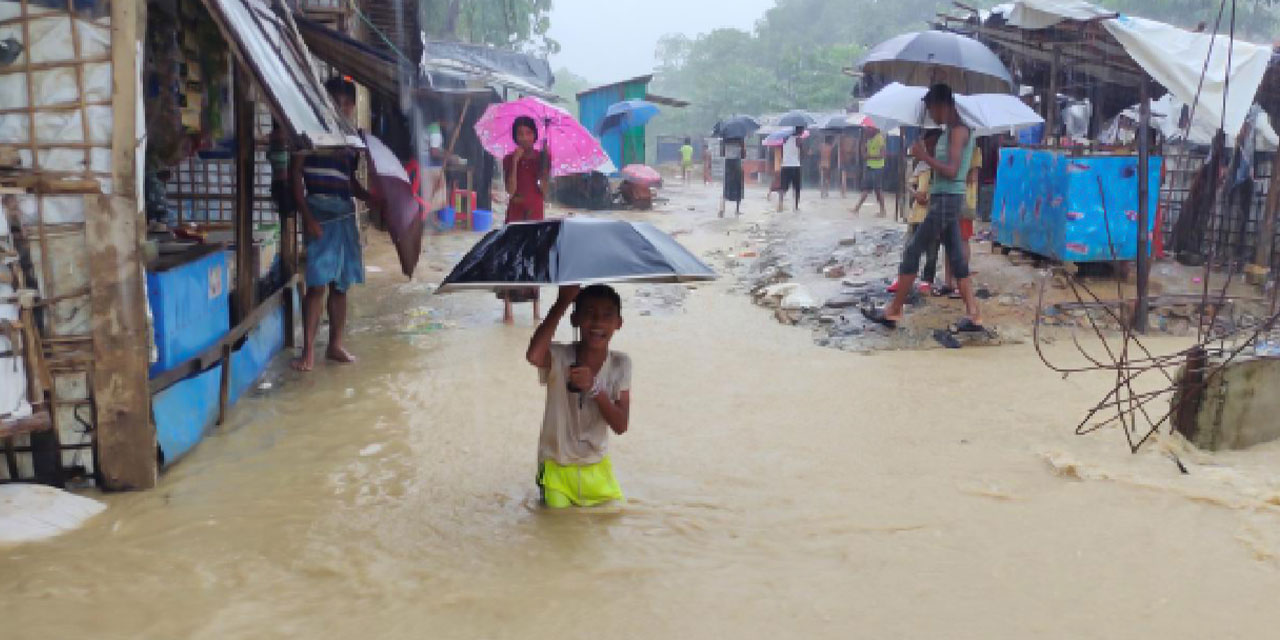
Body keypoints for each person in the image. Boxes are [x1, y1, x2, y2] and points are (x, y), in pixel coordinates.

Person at [864, 84, 984, 332]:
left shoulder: (958, 131)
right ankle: (974, 314)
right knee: (957, 259)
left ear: (943, 105)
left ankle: (894, 310)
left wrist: (924, 156)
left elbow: (951, 171)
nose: (931, 115)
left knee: (912, 251)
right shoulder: (950, 131)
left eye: (932, 109)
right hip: (943, 198)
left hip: (947, 199)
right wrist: (926, 153)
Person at [290, 77, 378, 372]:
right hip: (319, 210)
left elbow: (350, 183)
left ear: (353, 107)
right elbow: (295, 177)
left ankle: (335, 344)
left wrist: (372, 198)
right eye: (334, 102)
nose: (340, 108)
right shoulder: (309, 133)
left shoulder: (352, 141)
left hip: (344, 213)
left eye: (345, 104)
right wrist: (308, 217)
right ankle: (307, 352)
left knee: (342, 285)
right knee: (316, 285)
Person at [525, 285, 631, 509]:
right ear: (575, 319)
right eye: (589, 313)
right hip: (556, 467)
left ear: (618, 323)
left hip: (597, 466)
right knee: (560, 530)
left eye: (607, 315)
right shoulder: (560, 357)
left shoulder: (621, 364)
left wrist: (594, 388)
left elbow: (621, 425)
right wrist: (562, 301)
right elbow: (534, 355)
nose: (598, 322)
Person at [501, 115, 549, 325]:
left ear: (535, 135)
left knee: (534, 258)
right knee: (511, 257)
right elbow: (510, 191)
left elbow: (545, 191)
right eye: (520, 133)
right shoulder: (507, 159)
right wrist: (514, 162)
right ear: (515, 136)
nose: (524, 138)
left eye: (528, 133)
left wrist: (546, 165)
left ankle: (536, 310)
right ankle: (508, 310)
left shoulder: (542, 158)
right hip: (515, 212)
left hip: (535, 212)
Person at [851, 126, 887, 217]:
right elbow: (863, 154)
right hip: (869, 166)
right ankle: (856, 208)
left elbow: (882, 155)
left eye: (868, 128)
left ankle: (883, 211)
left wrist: (869, 156)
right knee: (866, 189)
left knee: (878, 190)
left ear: (874, 129)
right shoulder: (868, 138)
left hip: (878, 167)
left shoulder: (879, 138)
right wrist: (863, 141)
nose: (866, 130)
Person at [777, 126, 804, 213]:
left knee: (783, 187)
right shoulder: (798, 139)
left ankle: (780, 204)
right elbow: (803, 152)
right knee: (796, 188)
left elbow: (782, 151)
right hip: (795, 165)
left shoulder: (785, 139)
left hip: (785, 165)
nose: (803, 132)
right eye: (802, 130)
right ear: (799, 130)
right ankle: (795, 207)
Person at [719, 137, 745, 217]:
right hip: (737, 162)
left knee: (727, 185)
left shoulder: (725, 139)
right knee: (738, 185)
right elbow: (743, 154)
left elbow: (722, 153)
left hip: (728, 162)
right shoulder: (740, 138)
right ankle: (737, 210)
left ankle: (722, 209)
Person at [838, 130, 858, 198]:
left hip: (843, 159)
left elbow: (841, 149)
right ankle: (843, 192)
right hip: (849, 159)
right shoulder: (853, 140)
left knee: (843, 177)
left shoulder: (842, 139)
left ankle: (843, 192)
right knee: (845, 176)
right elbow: (854, 150)